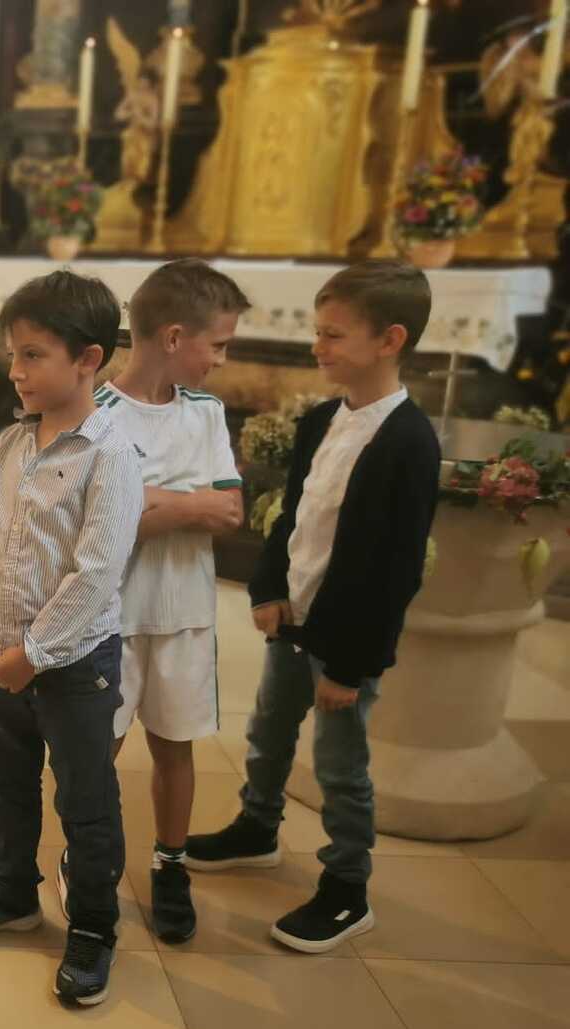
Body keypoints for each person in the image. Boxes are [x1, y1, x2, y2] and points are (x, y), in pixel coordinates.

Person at [185, 261, 441, 955]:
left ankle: (348, 885)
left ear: (390, 339)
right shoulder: (323, 419)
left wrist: (350, 667)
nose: (317, 346)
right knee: (268, 731)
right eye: (317, 331)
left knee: (338, 766)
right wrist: (269, 587)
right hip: (294, 620)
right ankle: (257, 827)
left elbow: (395, 571)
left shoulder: (409, 441)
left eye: (333, 334)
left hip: (344, 641)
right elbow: (291, 515)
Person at [0, 269, 143, 1007]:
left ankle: (92, 925)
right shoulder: (10, 442)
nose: (14, 370)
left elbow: (96, 572)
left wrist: (36, 654)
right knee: (5, 784)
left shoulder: (110, 454)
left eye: (32, 355)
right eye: (12, 354)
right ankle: (11, 893)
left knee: (86, 801)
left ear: (88, 359)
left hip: (73, 664)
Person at [76, 259, 248, 944]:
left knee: (176, 746)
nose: (222, 360)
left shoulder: (206, 413)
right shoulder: (96, 412)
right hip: (110, 617)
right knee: (99, 751)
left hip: (184, 614)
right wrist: (187, 504)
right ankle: (89, 856)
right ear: (175, 336)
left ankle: (170, 863)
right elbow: (102, 521)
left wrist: (151, 502)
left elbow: (230, 510)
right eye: (219, 344)